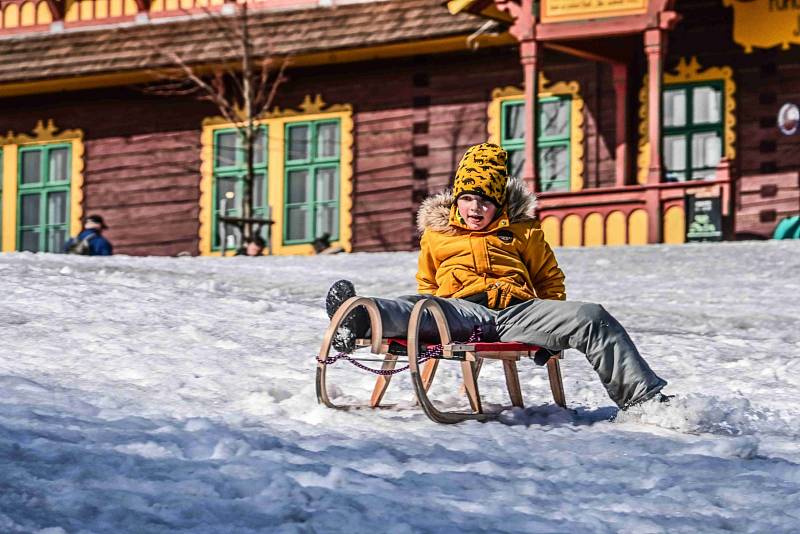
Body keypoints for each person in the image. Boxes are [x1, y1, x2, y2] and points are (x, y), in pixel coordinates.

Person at [326, 143, 669, 410]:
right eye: (469, 199)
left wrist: (550, 336)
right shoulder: (437, 235)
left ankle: (643, 400)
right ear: (457, 199)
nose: (475, 209)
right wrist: (434, 306)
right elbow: (428, 283)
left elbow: (549, 281)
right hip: (460, 309)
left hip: (518, 311)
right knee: (420, 306)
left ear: (500, 205)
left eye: (486, 202)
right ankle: (359, 318)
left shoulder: (523, 231)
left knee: (591, 316)